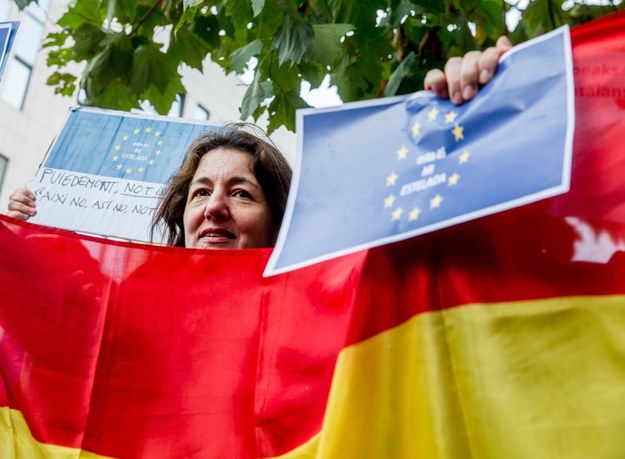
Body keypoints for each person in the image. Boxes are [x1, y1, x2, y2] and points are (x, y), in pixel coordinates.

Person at [7, 123, 292, 249]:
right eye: (201, 192)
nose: (213, 208)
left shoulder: (307, 317)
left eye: (241, 193)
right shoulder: (132, 302)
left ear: (279, 222)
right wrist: (20, 239)